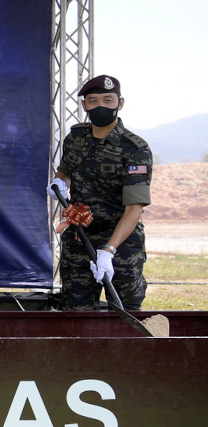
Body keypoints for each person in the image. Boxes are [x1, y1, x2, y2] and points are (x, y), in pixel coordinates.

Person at [49, 74, 152, 310]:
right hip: (79, 238)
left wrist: (108, 250)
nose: (100, 106)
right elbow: (65, 170)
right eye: (93, 101)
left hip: (121, 243)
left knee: (126, 312)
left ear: (120, 103)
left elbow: (134, 208)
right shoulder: (75, 138)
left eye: (108, 100)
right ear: (84, 105)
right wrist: (58, 183)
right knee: (76, 312)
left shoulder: (135, 149)